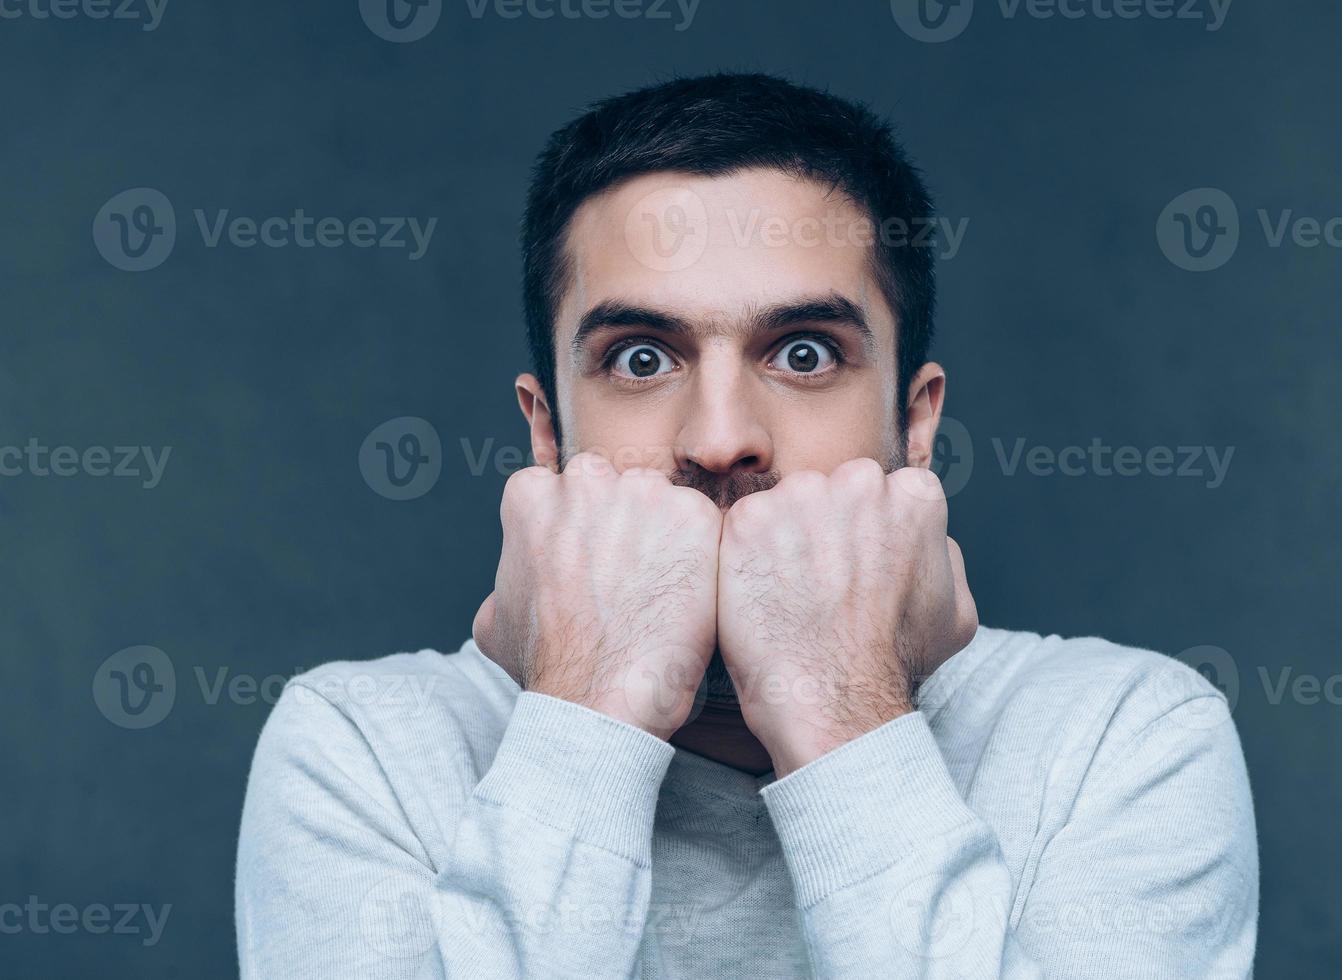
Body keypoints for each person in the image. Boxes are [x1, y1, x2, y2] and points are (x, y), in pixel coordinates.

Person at [236, 72, 1258, 978]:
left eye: (804, 354)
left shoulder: (1121, 737)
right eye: (640, 357)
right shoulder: (364, 747)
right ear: (543, 436)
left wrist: (836, 709)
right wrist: (587, 703)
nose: (721, 439)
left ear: (915, 424)